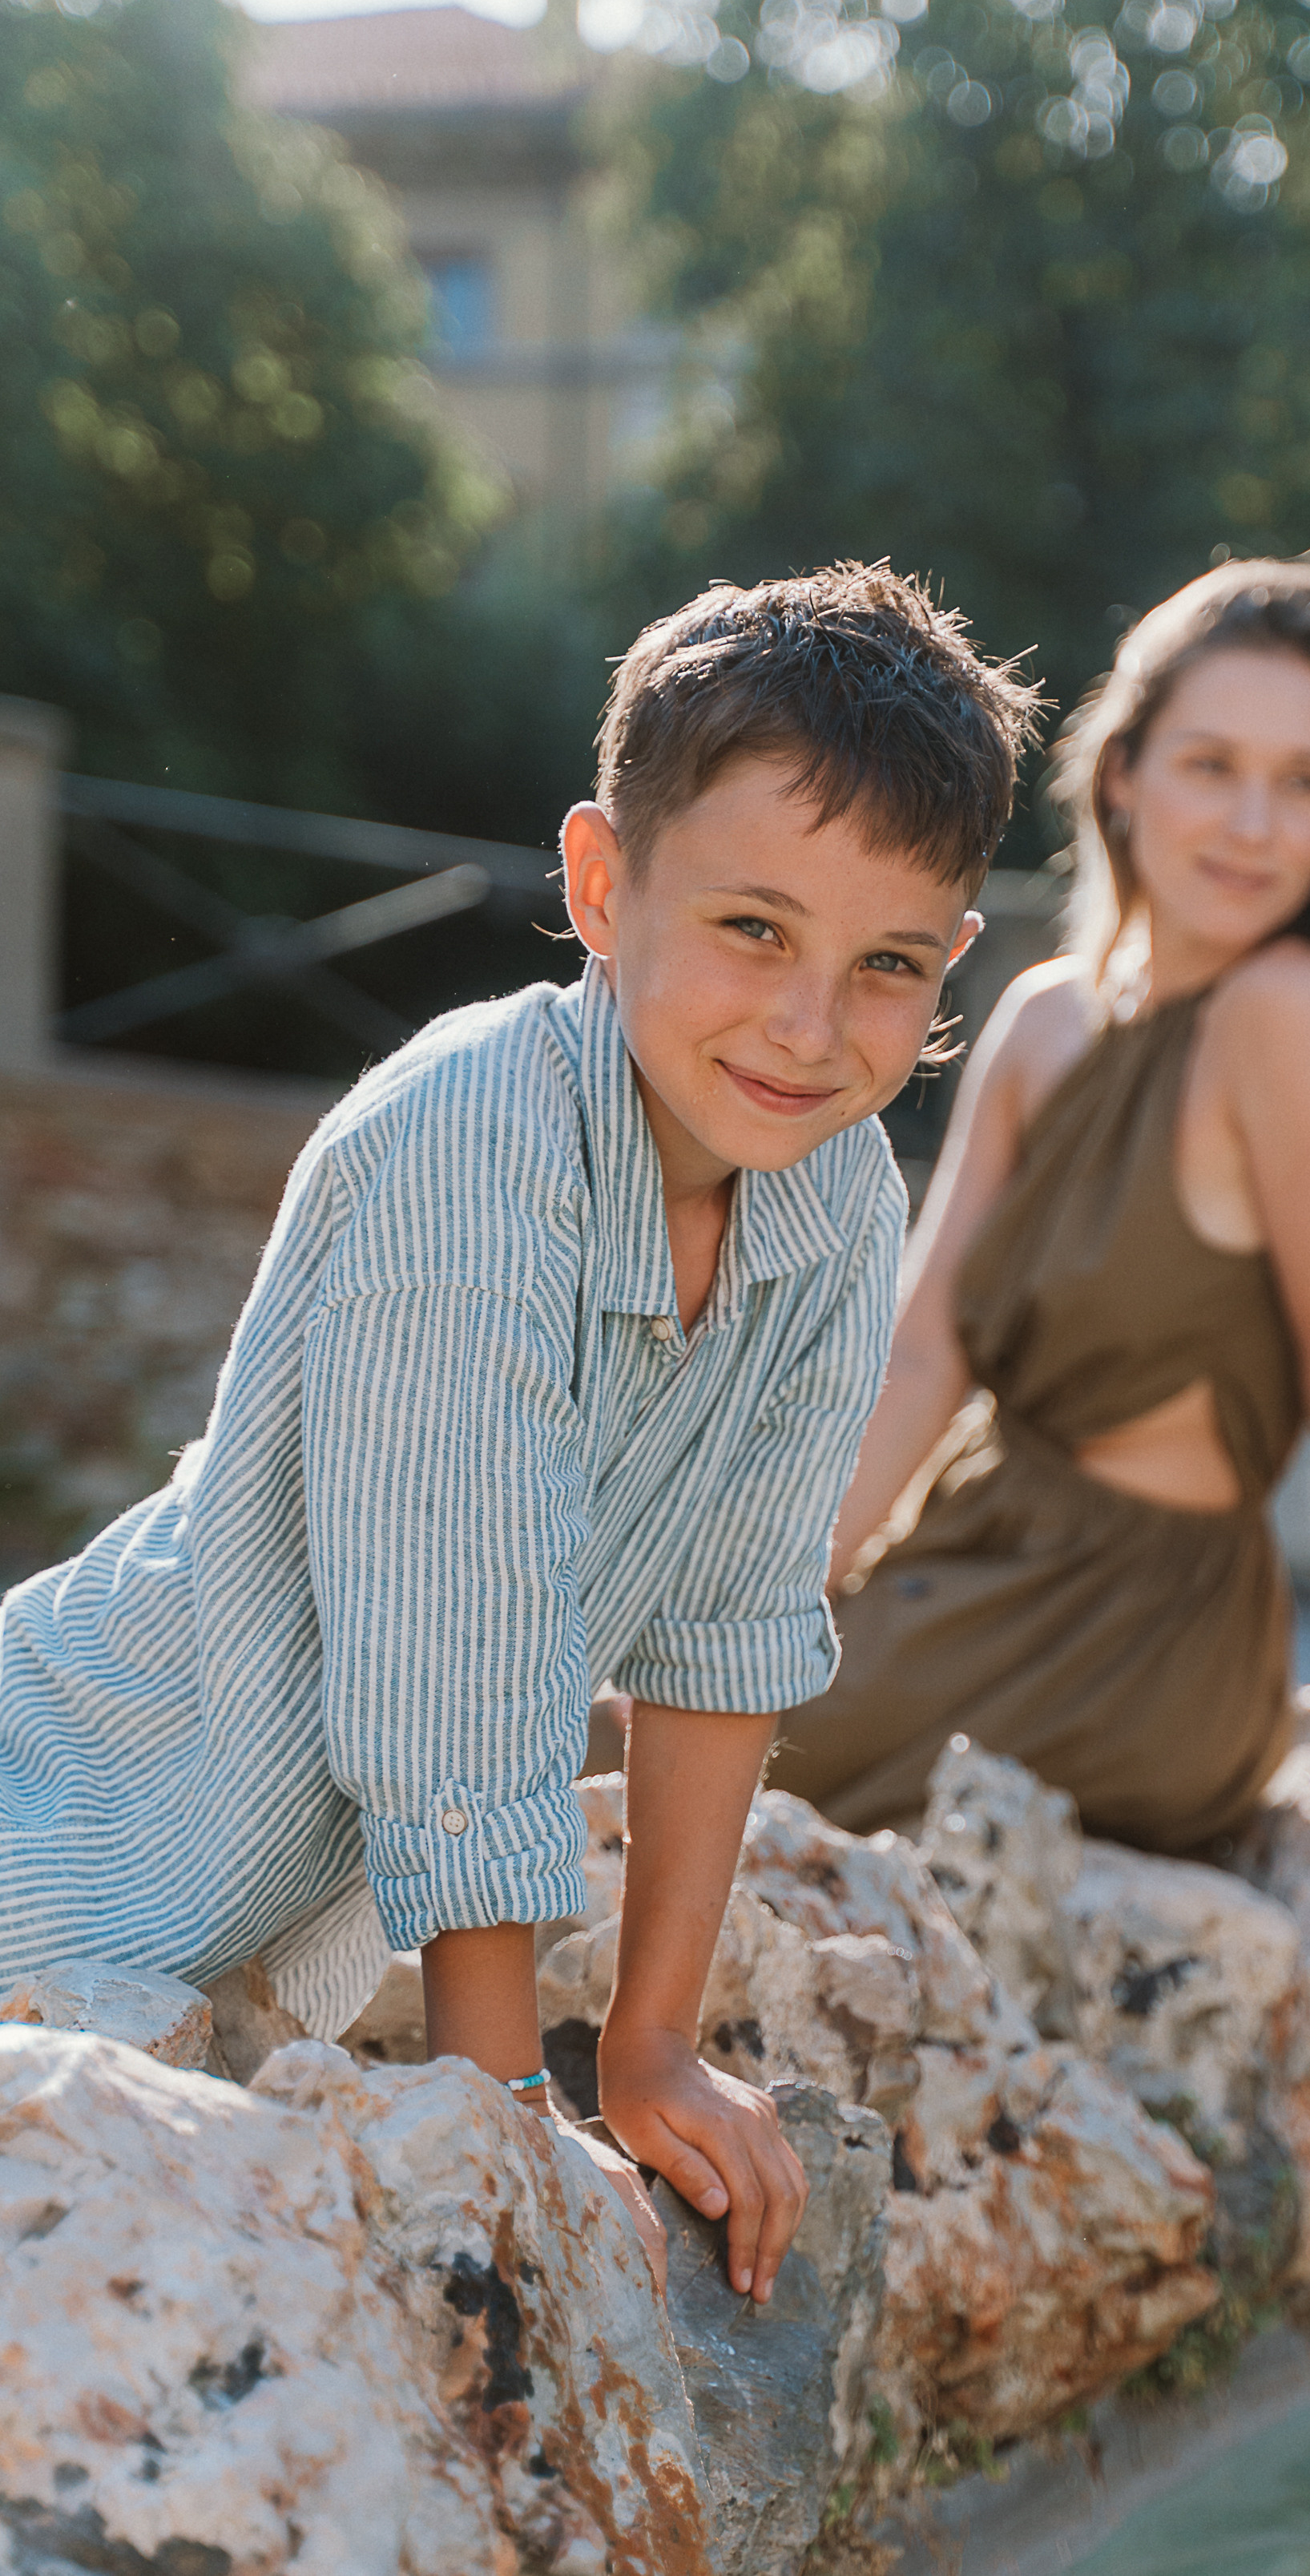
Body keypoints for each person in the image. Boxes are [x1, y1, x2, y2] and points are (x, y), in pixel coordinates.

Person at [0, 560, 1038, 2303]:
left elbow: (728, 1621)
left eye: (881, 967)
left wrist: (651, 2052)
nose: (805, 1026)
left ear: (953, 961)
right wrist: (493, 2115)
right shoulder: (472, 1142)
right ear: (601, 883)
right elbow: (451, 1660)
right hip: (64, 1849)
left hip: (228, 1953)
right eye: (751, 930)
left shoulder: (839, 1197)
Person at [771, 559, 1310, 1869]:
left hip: (1140, 1632)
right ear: (1124, 774)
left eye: (1305, 782)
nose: (1253, 822)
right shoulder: (1042, 1019)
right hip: (960, 1549)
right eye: (1212, 765)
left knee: (693, 1763)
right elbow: (921, 1354)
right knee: (672, 1710)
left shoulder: (1297, 1030)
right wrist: (780, 1597)